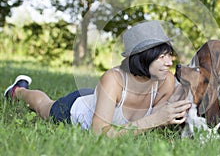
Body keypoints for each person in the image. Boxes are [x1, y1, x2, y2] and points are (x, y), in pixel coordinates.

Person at [4, 21, 191, 137]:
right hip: (76, 108)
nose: (169, 62)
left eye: (170, 55)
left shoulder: (165, 80)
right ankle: (18, 90)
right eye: (161, 57)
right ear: (143, 57)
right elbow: (98, 133)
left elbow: (177, 107)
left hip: (101, 100)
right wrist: (155, 120)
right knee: (44, 106)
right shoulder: (113, 79)